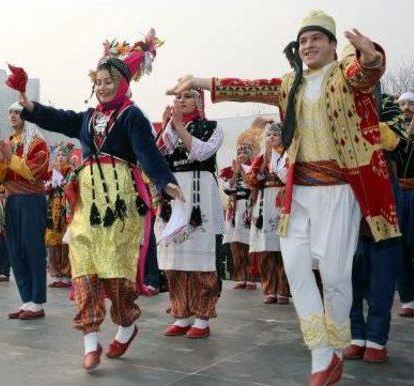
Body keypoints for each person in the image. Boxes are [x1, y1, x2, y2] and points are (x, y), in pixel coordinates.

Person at [166, 10, 397, 384]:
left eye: (317, 39)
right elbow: (246, 87)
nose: (308, 45)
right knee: (297, 268)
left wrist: (373, 58)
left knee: (336, 275)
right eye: (303, 40)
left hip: (339, 190)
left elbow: (367, 72)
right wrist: (200, 80)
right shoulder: (290, 83)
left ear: (333, 46)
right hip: (299, 190)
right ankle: (321, 354)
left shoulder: (345, 74)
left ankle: (335, 346)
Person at [15, 28, 182, 370]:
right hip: (87, 204)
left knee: (116, 274)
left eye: (109, 81)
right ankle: (90, 341)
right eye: (99, 81)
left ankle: (126, 324)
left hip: (120, 205)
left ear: (122, 83)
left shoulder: (131, 116)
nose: (103, 86)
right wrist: (29, 105)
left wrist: (165, 182)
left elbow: (147, 154)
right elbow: (57, 118)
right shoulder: (88, 118)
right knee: (84, 269)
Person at [155, 88, 224, 338]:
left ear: (199, 101)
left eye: (187, 97)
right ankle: (181, 314)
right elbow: (158, 155)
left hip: (200, 194)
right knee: (174, 259)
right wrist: (167, 127)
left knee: (201, 260)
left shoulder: (213, 127)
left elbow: (201, 153)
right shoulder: (169, 128)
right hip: (174, 195)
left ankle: (203, 318)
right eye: (177, 97)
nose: (181, 101)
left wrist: (179, 127)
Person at [345, 88, 405, 363]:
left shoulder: (389, 102)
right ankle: (356, 334)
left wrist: (352, 125)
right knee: (347, 268)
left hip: (381, 190)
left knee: (382, 269)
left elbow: (392, 138)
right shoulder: (335, 98)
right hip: (345, 192)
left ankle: (377, 338)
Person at [0, 102, 50, 319]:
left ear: (26, 116)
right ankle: (27, 299)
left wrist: (9, 158)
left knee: (32, 248)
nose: (13, 115)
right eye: (10, 112)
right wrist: (0, 161)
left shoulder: (38, 142)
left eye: (17, 112)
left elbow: (34, 172)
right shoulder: (8, 142)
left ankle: (37, 301)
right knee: (15, 249)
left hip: (31, 199)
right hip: (10, 199)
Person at [244, 123, 291, 304]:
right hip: (264, 204)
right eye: (269, 134)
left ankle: (284, 290)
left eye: (276, 134)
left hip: (281, 203)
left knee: (282, 248)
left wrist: (275, 159)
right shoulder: (260, 158)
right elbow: (251, 179)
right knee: (266, 249)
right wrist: (263, 169)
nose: (271, 137)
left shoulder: (287, 156)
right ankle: (270, 289)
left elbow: (288, 177)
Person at [220, 124, 259, 291]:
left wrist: (243, 171)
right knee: (235, 245)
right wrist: (236, 172)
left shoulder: (254, 169)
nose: (242, 155)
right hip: (234, 209)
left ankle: (251, 277)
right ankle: (240, 276)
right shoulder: (228, 171)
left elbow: (254, 185)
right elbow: (228, 189)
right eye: (240, 153)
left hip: (248, 208)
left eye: (245, 153)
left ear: (251, 155)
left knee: (249, 243)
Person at [46, 141, 75, 288]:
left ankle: (66, 274)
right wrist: (49, 186)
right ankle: (56, 274)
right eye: (58, 154)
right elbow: (46, 187)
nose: (60, 157)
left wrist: (63, 184)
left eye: (63, 154)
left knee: (65, 242)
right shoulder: (52, 171)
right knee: (53, 241)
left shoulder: (72, 170)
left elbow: (73, 188)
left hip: (66, 207)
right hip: (53, 209)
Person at [396, 90, 414, 318]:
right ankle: (408, 298)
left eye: (410, 104)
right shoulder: (394, 132)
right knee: (398, 246)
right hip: (398, 192)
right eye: (403, 105)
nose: (406, 109)